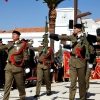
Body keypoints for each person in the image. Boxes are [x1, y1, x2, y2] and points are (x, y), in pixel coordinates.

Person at [49, 23, 95, 100]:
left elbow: (92, 51)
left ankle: (82, 98)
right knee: (72, 82)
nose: (74, 30)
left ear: (79, 29)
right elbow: (63, 37)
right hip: (73, 61)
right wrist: (52, 35)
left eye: (75, 28)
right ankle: (71, 98)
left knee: (81, 82)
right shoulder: (73, 37)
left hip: (81, 62)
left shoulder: (86, 38)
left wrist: (91, 63)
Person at [0, 30, 29, 100]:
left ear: (18, 36)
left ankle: (22, 97)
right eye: (12, 34)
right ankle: (5, 99)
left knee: (20, 85)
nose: (13, 36)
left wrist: (27, 66)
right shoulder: (9, 44)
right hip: (9, 67)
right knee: (7, 85)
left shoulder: (23, 45)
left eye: (15, 34)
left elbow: (25, 56)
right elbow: (1, 48)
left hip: (18, 67)